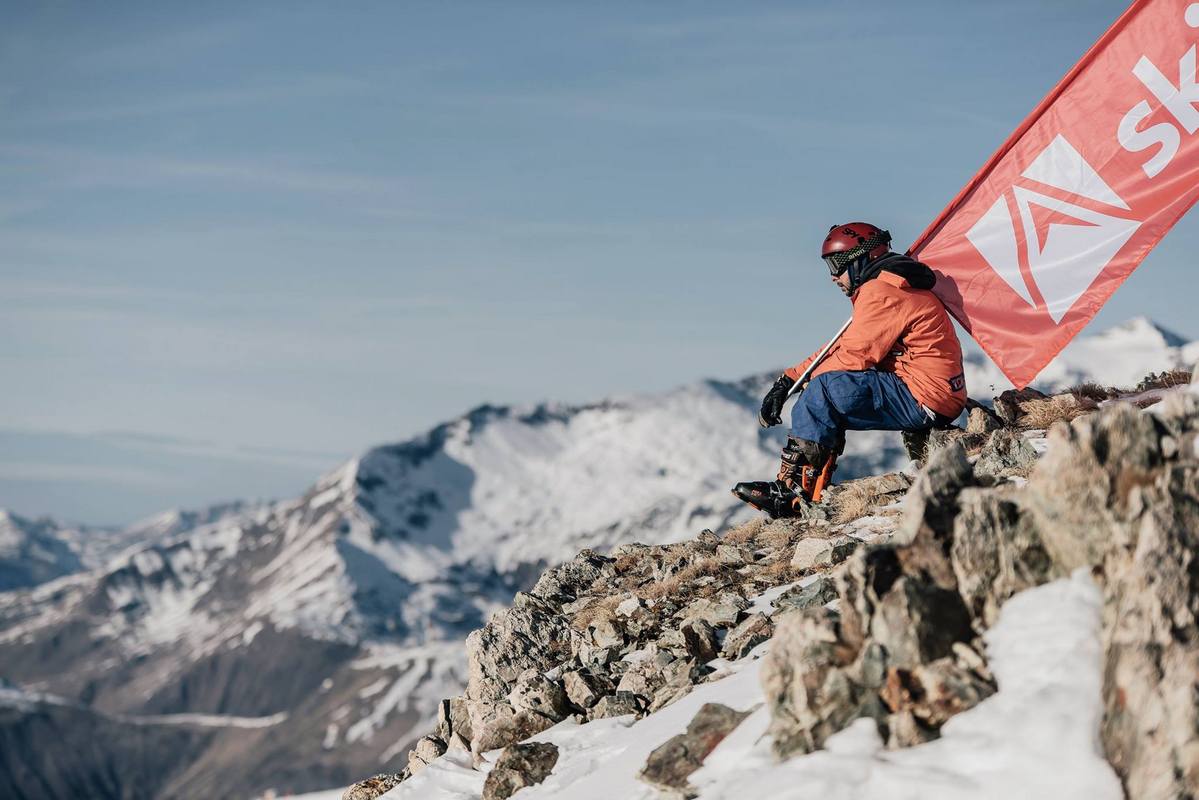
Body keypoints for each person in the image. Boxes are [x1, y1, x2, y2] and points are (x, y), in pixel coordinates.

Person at [733, 222, 967, 518]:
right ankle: (805, 488)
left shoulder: (883, 290)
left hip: (924, 396)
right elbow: (845, 344)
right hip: (929, 391)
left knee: (826, 390)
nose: (833, 276)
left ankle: (794, 491)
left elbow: (854, 357)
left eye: (838, 264)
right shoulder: (890, 285)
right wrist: (790, 378)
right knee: (825, 387)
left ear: (862, 259)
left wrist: (804, 384)